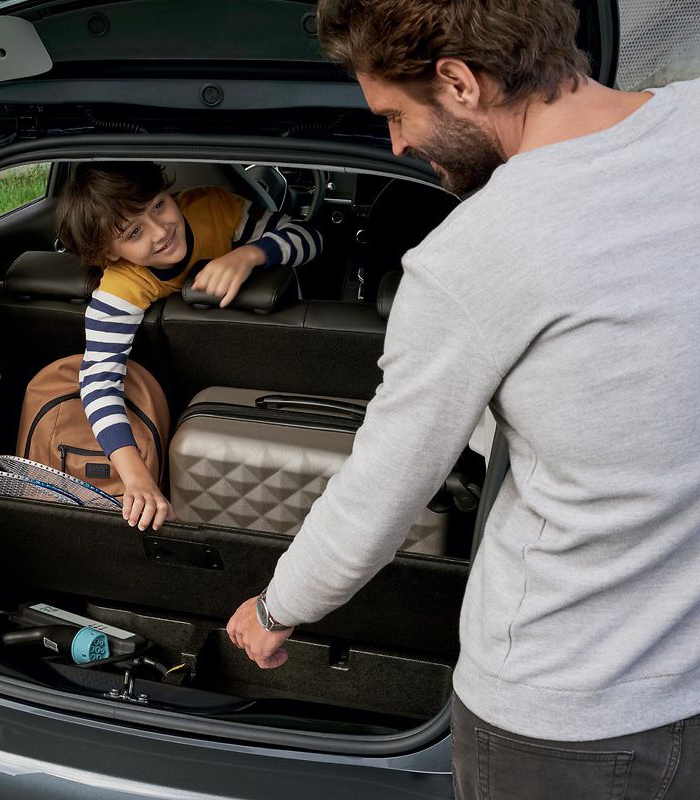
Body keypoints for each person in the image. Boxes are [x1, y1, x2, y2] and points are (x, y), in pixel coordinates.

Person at [225, 1, 700, 797]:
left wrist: (274, 612)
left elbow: (380, 495)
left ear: (459, 81)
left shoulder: (474, 255)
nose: (396, 144)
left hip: (563, 720)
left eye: (393, 114)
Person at [56, 162, 324, 532]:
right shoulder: (121, 285)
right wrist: (136, 477)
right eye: (134, 232)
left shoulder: (213, 207)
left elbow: (310, 237)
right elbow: (99, 381)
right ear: (110, 253)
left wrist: (247, 255)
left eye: (158, 206)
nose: (160, 230)